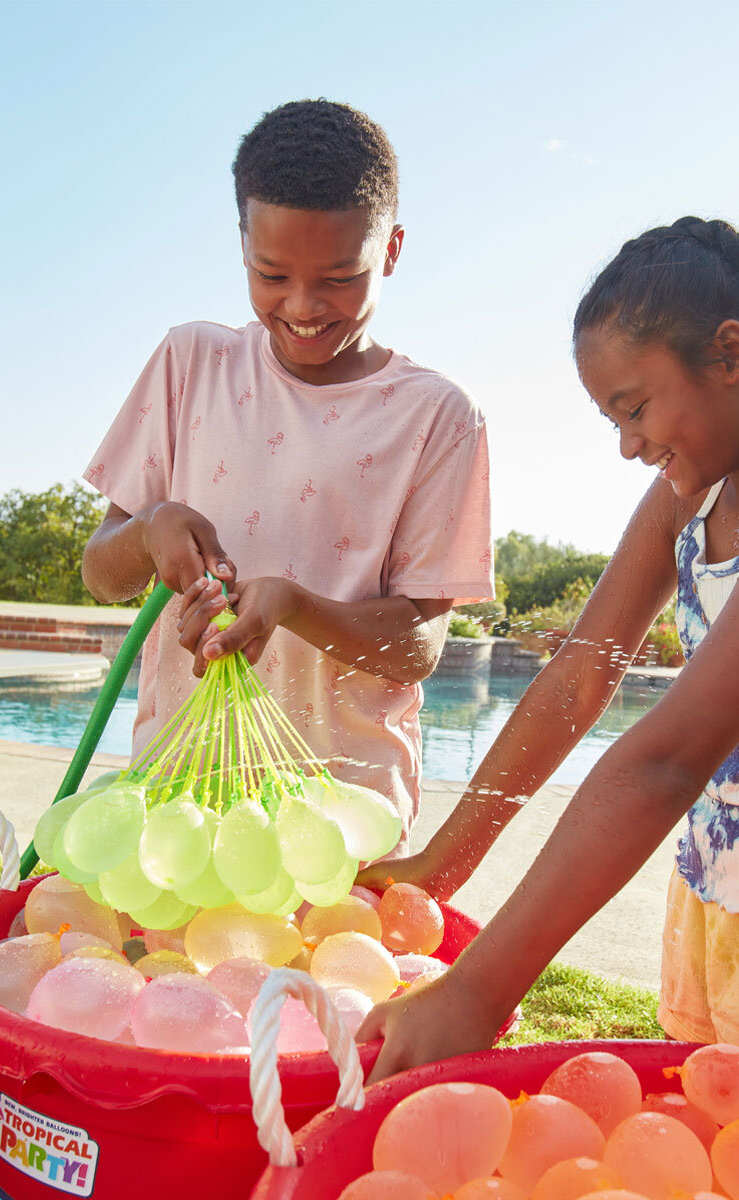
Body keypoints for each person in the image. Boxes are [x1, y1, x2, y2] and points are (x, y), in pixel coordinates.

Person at [358, 215, 739, 1081]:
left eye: (636, 407)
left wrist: (480, 990)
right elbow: (579, 680)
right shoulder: (686, 500)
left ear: (730, 355)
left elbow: (664, 762)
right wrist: (446, 860)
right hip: (714, 906)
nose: (628, 444)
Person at [80, 99, 493, 853]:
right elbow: (102, 573)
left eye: (340, 278)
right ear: (241, 246)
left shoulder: (437, 416)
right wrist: (147, 531)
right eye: (271, 275)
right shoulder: (189, 365)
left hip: (342, 824)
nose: (302, 307)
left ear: (392, 248)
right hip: (181, 810)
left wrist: (297, 607)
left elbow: (420, 645)